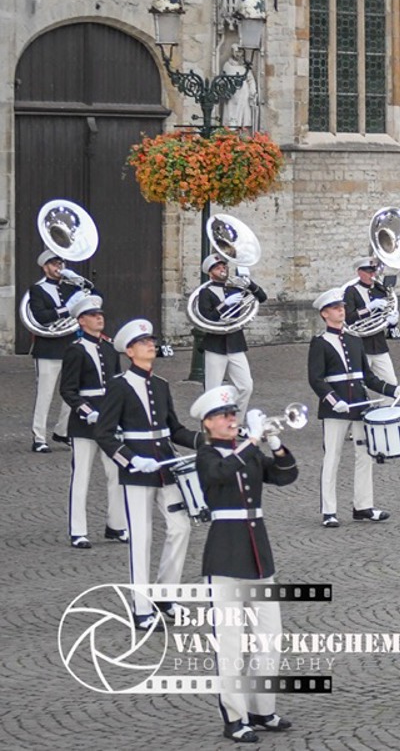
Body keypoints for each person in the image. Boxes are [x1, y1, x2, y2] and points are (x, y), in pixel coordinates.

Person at [191, 385, 297, 743]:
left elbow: (285, 474)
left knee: (270, 638)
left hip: (258, 556)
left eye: (233, 414)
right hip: (225, 555)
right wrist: (251, 441)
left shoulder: (247, 452)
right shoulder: (206, 455)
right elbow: (219, 474)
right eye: (224, 415)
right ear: (208, 423)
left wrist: (274, 442)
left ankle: (261, 708)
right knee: (231, 644)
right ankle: (235, 718)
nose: (231, 419)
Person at [94, 318, 201, 628]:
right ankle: (141, 607)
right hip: (137, 471)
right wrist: (130, 460)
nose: (150, 345)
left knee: (181, 528)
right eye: (143, 343)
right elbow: (104, 433)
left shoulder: (161, 384)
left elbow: (175, 429)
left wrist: (206, 440)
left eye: (152, 341)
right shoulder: (119, 386)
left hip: (166, 466)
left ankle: (165, 595)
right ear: (129, 351)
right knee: (140, 538)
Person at [309, 287, 400, 528]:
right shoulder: (320, 343)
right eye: (335, 308)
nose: (341, 311)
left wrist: (393, 390)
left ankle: (363, 506)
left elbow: (368, 377)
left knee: (365, 456)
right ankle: (329, 511)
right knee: (332, 457)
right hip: (335, 409)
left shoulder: (354, 339)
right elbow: (316, 379)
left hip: (360, 406)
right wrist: (334, 401)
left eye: (341, 307)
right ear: (324, 314)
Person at [60, 294, 126, 548]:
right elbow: (68, 390)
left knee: (116, 473)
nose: (99, 318)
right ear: (81, 321)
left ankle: (116, 525)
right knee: (81, 475)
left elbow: (117, 385)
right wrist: (86, 410)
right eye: (92, 315)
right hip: (84, 423)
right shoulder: (75, 350)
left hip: (109, 420)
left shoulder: (109, 348)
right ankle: (78, 530)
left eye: (100, 314)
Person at [26, 248, 84, 452]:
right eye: (54, 264)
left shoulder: (71, 288)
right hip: (47, 349)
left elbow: (94, 299)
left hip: (70, 346)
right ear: (45, 267)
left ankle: (63, 431)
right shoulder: (37, 289)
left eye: (60, 263)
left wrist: (80, 281)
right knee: (45, 394)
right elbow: (41, 316)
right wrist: (66, 310)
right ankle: (39, 437)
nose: (58, 267)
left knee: (72, 393)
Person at [196, 253, 268, 410]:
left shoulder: (235, 288)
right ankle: (211, 423)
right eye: (217, 268)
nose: (222, 269)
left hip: (235, 342)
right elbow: (207, 317)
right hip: (215, 344)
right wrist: (224, 304)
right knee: (212, 390)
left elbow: (262, 297)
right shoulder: (205, 292)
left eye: (223, 266)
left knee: (246, 387)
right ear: (210, 273)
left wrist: (250, 284)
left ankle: (236, 421)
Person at [344, 256, 400, 386]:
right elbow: (349, 318)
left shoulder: (381, 290)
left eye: (374, 271)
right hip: (360, 346)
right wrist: (368, 308)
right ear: (359, 272)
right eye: (369, 272)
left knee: (391, 383)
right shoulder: (351, 291)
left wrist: (392, 322)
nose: (372, 275)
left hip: (379, 345)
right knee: (357, 385)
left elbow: (386, 314)